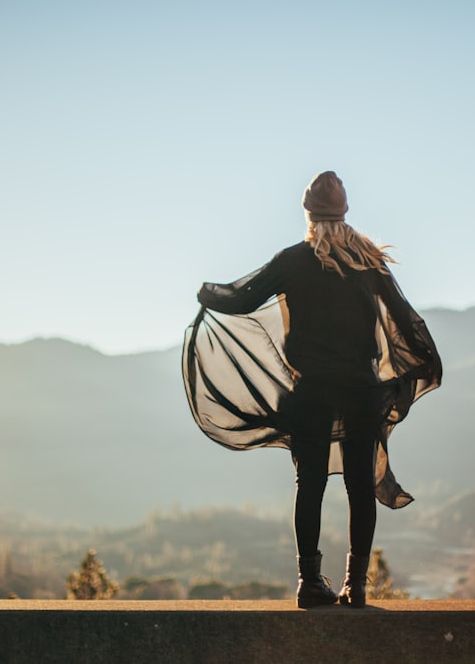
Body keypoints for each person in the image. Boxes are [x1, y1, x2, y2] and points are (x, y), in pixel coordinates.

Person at [182, 171, 441, 608]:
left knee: (311, 484)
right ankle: (355, 586)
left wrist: (206, 294)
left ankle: (308, 583)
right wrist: (419, 363)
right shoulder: (368, 263)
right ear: (344, 214)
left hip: (309, 394)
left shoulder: (293, 260)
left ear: (308, 215)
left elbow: (241, 298)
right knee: (361, 486)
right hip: (361, 390)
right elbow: (406, 319)